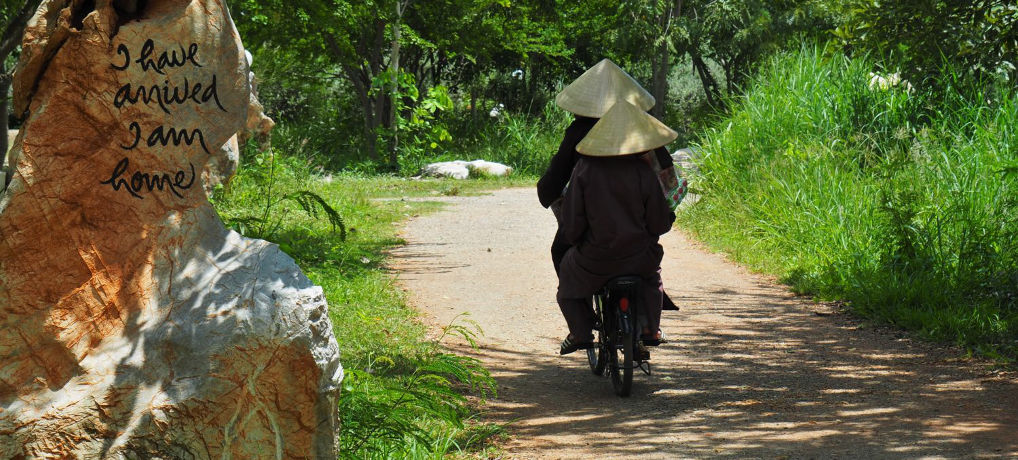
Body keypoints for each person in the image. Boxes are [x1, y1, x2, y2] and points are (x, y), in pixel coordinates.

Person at [537, 58, 680, 310]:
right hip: (639, 237)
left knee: (561, 251)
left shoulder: (580, 134)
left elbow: (554, 185)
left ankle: (581, 317)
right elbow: (667, 178)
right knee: (648, 264)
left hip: (594, 244)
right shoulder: (642, 132)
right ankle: (649, 319)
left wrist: (550, 194)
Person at [556, 100, 677, 355]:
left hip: (596, 258)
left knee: (568, 279)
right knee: (652, 279)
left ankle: (580, 332)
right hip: (638, 257)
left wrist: (577, 241)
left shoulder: (584, 169)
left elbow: (574, 222)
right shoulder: (643, 172)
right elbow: (658, 222)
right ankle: (650, 330)